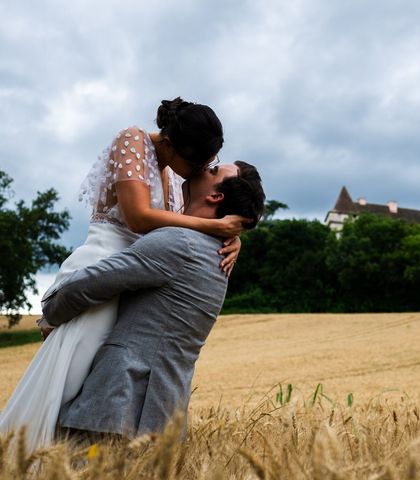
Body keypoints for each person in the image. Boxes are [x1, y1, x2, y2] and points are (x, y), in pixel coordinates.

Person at [0, 98, 247, 452]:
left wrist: (230, 235)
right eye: (195, 163)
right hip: (103, 267)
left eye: (208, 165)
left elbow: (187, 224)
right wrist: (214, 225)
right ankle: (25, 457)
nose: (197, 172)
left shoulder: (178, 175)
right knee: (67, 380)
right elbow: (138, 217)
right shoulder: (133, 139)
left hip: (135, 278)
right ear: (170, 144)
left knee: (92, 381)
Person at [43, 162, 265, 438]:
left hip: (118, 403)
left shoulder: (178, 242)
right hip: (164, 413)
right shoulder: (216, 252)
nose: (203, 167)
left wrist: (50, 313)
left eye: (214, 170)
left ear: (216, 196)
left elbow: (91, 284)